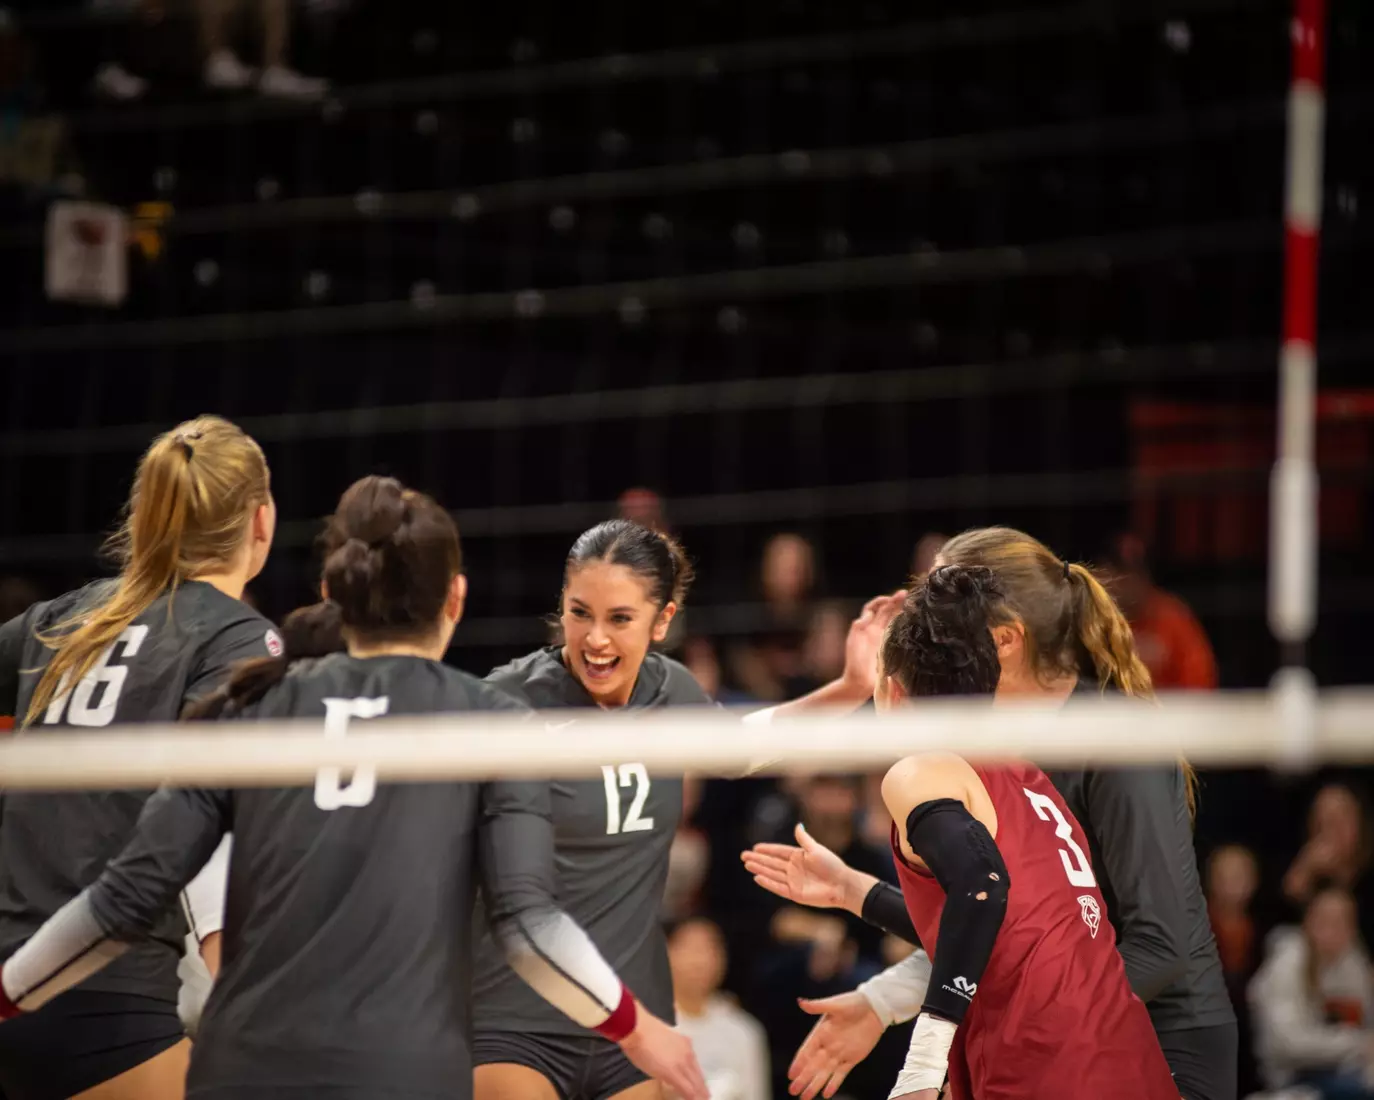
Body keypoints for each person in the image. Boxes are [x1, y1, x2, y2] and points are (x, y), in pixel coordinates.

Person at [0, 476, 708, 1100]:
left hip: (248, 1062)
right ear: (455, 600)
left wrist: (5, 998)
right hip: (401, 1065)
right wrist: (635, 1026)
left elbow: (121, 899)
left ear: (332, 594)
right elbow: (527, 925)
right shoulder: (486, 719)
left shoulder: (248, 705)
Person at [741, 526, 1236, 1100]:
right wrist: (881, 984)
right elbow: (1017, 926)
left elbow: (1156, 945)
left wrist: (992, 1041)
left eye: (950, 602)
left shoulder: (1117, 740)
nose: (923, 619)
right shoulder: (995, 752)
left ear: (1003, 639)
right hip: (1072, 1034)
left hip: (1159, 1039)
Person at [473, 519, 900, 1100]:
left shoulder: (668, 691)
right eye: (580, 613)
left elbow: (746, 748)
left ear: (663, 620)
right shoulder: (510, 700)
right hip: (518, 1014)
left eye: (620, 618)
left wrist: (851, 688)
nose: (595, 638)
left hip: (633, 1021)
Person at [0, 415, 279, 1100]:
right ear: (261, 520)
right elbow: (216, 822)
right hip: (103, 996)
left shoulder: (53, 623)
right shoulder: (239, 639)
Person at [1249, 887, 1374, 1098]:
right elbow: (1287, 1044)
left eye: (1344, 921)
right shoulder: (1287, 963)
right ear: (1309, 921)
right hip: (1291, 1075)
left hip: (1345, 1065)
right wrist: (1356, 1043)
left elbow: (1364, 1020)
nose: (1334, 929)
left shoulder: (1353, 960)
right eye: (1325, 920)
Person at [667, 917, 770, 1100]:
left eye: (712, 948)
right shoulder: (648, 1025)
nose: (702, 960)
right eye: (692, 948)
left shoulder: (743, 1030)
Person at [1101, 533, 1217, 690]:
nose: (1126, 581)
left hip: (1166, 711)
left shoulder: (1172, 617)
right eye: (1119, 571)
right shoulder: (1094, 618)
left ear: (1147, 576)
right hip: (1107, 712)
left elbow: (1200, 684)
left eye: (1134, 573)